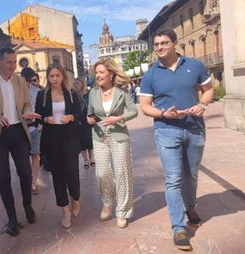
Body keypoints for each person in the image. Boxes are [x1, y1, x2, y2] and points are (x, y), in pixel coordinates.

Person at [139, 28, 213, 251]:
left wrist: (202, 105)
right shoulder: (150, 75)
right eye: (156, 45)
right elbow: (144, 106)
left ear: (175, 43)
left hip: (194, 128)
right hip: (166, 130)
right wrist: (163, 114)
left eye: (164, 43)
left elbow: (208, 89)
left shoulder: (195, 65)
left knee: (191, 175)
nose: (160, 47)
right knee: (173, 179)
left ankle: (190, 207)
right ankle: (178, 228)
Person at [0, 47, 41, 237]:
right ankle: (12, 218)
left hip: (18, 132)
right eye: (9, 62)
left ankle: (28, 206)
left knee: (25, 174)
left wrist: (27, 113)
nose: (13, 66)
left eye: (14, 62)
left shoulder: (20, 81)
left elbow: (27, 103)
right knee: (4, 178)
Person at [87, 58, 138, 229]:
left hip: (119, 136)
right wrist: (89, 119)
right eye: (97, 73)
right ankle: (108, 202)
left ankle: (122, 211)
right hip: (99, 136)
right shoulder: (93, 93)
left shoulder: (121, 92)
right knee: (102, 172)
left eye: (101, 72)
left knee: (122, 172)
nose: (98, 75)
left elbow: (133, 111)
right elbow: (90, 113)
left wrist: (119, 118)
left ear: (110, 74)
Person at [35, 63, 82, 229]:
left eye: (57, 76)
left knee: (72, 175)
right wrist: (45, 119)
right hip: (52, 140)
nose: (54, 79)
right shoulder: (42, 95)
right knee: (57, 177)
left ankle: (75, 199)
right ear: (47, 78)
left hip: (70, 139)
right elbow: (38, 116)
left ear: (63, 76)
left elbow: (79, 113)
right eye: (51, 76)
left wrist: (70, 116)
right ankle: (64, 210)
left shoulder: (71, 94)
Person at [21, 67, 42, 195]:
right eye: (26, 80)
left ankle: (34, 182)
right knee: (23, 156)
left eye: (32, 80)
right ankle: (26, 180)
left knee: (35, 154)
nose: (29, 83)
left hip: (36, 127)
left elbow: (43, 109)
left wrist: (41, 124)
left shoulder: (38, 92)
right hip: (22, 127)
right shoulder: (16, 92)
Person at [73, 78, 95, 169]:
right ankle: (85, 160)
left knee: (89, 139)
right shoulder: (73, 95)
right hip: (78, 120)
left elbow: (92, 105)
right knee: (81, 142)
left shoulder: (87, 94)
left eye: (78, 83)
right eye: (75, 83)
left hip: (87, 119)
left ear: (82, 84)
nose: (76, 85)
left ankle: (92, 158)